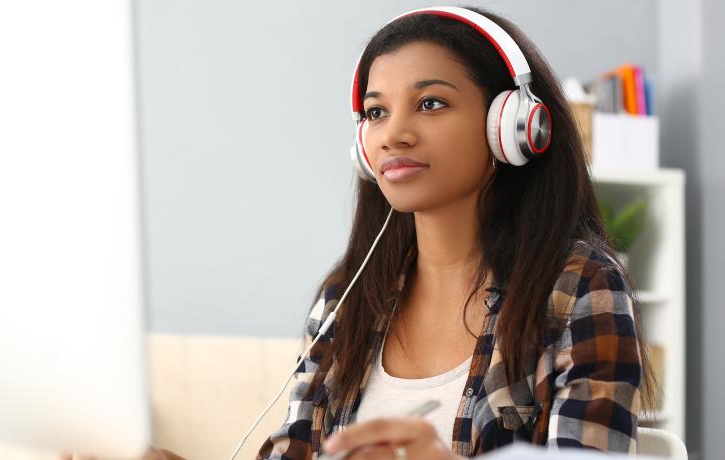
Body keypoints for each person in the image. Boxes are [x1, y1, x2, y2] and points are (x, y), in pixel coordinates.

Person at [255, 6, 657, 460]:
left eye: (430, 103)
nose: (393, 134)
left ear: (511, 125)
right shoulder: (344, 297)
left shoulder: (579, 284)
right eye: (376, 111)